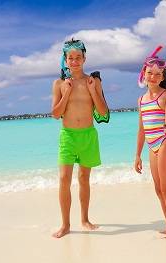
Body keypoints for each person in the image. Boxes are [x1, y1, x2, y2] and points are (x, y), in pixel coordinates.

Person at [51, 39, 108, 238]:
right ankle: (65, 225)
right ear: (65, 61)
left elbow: (102, 111)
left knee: (84, 178)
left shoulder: (93, 81)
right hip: (68, 136)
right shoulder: (59, 84)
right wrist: (66, 93)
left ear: (84, 58)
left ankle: (84, 219)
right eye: (70, 58)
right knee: (64, 179)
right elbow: (56, 114)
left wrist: (93, 90)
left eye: (78, 57)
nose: (74, 61)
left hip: (88, 135)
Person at [134, 50, 166, 239]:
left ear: (163, 77)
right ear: (143, 74)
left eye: (158, 74)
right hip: (151, 145)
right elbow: (141, 130)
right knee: (158, 189)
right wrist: (137, 155)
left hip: (165, 142)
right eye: (149, 73)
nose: (153, 77)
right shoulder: (141, 100)